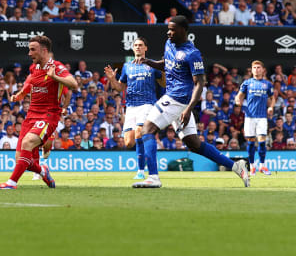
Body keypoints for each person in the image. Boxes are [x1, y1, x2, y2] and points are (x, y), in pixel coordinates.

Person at [133, 16, 249, 188]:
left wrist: (188, 109)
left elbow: (200, 83)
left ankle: (153, 177)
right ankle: (236, 166)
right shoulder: (169, 44)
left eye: (172, 29)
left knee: (147, 129)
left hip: (178, 99)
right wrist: (149, 62)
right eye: (168, 28)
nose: (168, 32)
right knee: (194, 143)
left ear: (183, 30)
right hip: (175, 99)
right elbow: (167, 64)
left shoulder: (192, 53)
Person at [0, 36, 78, 189]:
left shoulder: (57, 67)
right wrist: (21, 93)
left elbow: (73, 84)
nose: (29, 53)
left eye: (32, 49)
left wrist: (55, 76)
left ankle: (11, 183)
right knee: (22, 160)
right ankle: (42, 171)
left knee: (28, 143)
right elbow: (30, 81)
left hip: (48, 115)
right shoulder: (34, 68)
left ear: (44, 50)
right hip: (31, 115)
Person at [104, 36, 163, 180]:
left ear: (145, 48)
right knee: (129, 142)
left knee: (139, 132)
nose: (138, 47)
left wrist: (164, 70)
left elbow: (164, 84)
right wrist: (112, 79)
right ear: (133, 48)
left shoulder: (153, 65)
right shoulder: (127, 66)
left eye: (140, 45)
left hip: (147, 104)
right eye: (135, 45)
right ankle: (143, 167)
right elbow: (120, 87)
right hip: (130, 106)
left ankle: (141, 171)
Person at [234, 61, 274, 176]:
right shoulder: (247, 83)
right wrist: (238, 101)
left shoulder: (267, 84)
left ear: (262, 70)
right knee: (251, 143)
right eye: (254, 67)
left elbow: (272, 98)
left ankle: (262, 166)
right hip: (249, 117)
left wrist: (271, 107)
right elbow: (239, 96)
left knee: (262, 141)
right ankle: (252, 167)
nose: (256, 69)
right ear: (251, 70)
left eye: (258, 67)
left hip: (262, 117)